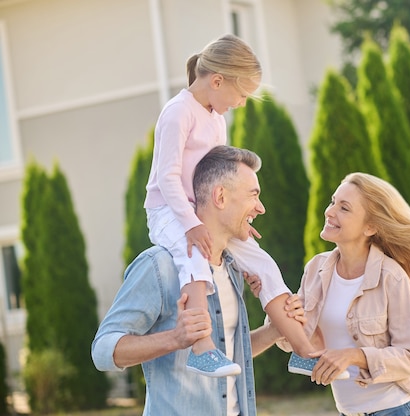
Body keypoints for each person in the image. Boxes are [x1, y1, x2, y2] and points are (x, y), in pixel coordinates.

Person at [143, 33, 327, 378]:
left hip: (203, 212)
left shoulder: (216, 119)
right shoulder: (178, 113)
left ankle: (304, 350)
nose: (242, 103)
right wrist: (191, 224)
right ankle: (202, 348)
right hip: (169, 211)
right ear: (216, 80)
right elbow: (167, 179)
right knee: (193, 254)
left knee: (264, 264)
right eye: (241, 94)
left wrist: (235, 218)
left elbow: (219, 180)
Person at [92, 146, 305, 415]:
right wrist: (175, 338)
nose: (260, 208)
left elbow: (227, 351)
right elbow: (102, 351)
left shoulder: (232, 269)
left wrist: (275, 330)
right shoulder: (159, 266)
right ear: (220, 196)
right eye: (253, 196)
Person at [275, 172, 410, 416]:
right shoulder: (316, 269)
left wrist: (354, 356)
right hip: (349, 411)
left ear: (370, 226)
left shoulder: (391, 278)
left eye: (344, 208)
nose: (330, 211)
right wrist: (278, 302)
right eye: (333, 202)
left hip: (399, 409)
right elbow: (289, 340)